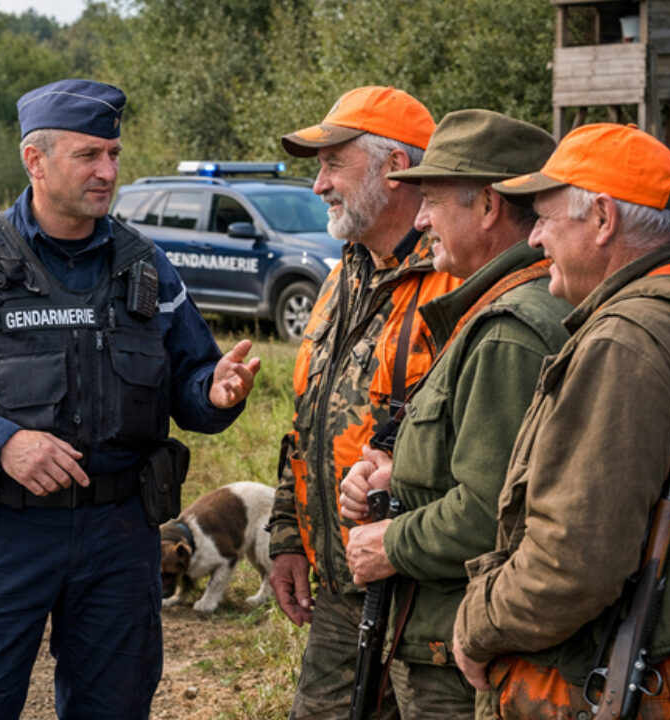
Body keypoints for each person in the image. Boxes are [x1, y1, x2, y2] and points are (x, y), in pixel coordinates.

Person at [0, 78, 260, 719]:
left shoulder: (147, 268)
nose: (107, 170)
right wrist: (3, 442)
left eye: (113, 153)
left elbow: (192, 386)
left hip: (120, 534)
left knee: (113, 706)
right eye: (89, 155)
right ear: (36, 160)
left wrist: (217, 394)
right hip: (2, 532)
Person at [452, 123, 670, 718]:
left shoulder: (624, 340)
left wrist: (477, 625)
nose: (534, 239)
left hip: (656, 681)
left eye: (544, 218)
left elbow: (573, 564)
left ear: (603, 219)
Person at [336, 109, 568, 719]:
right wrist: (395, 480)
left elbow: (492, 509)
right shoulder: (496, 310)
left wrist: (390, 541)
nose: (419, 220)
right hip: (449, 631)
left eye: (433, 201)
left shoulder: (510, 331)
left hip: (460, 648)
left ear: (489, 206)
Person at [267, 85, 460, 719]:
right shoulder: (342, 272)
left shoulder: (459, 283)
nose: (318, 184)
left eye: (333, 164)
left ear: (396, 169)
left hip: (431, 600)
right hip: (345, 588)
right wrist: (289, 534)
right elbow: (309, 418)